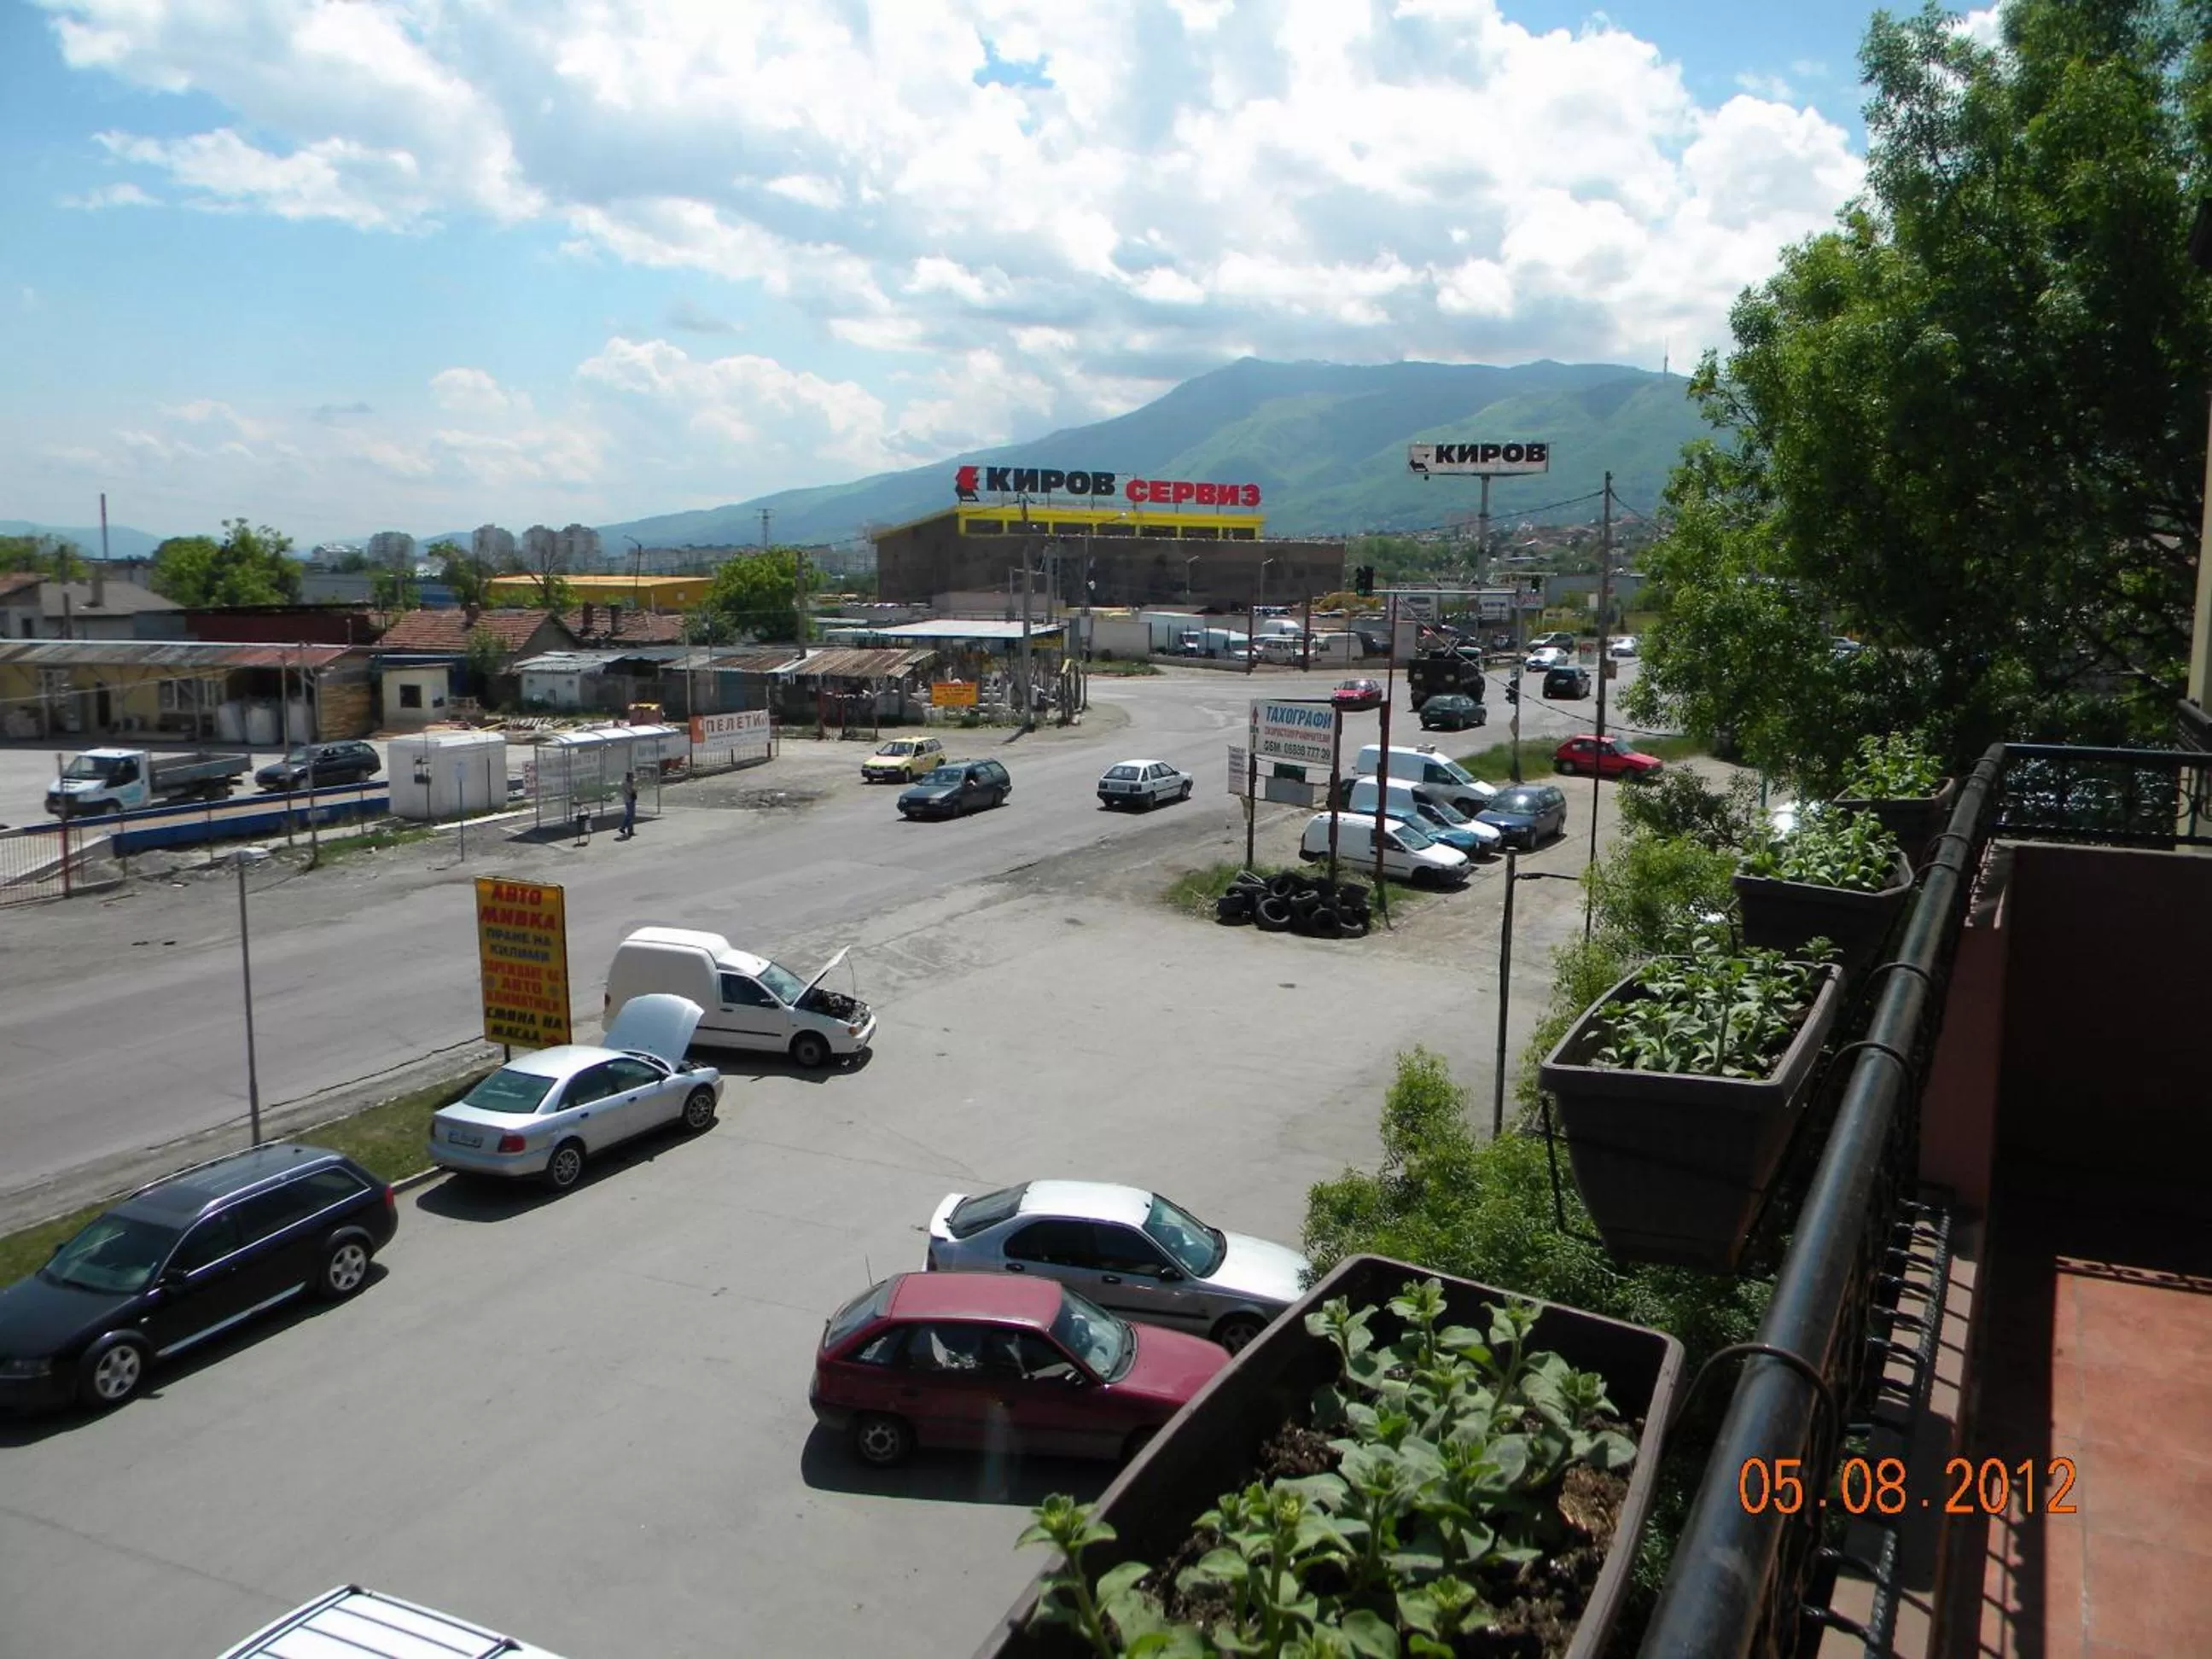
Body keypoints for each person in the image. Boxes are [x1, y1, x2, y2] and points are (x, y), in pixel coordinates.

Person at [617, 771, 638, 840]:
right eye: (632, 776)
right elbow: (630, 792)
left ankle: (630, 831)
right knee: (630, 815)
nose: (633, 777)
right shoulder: (626, 783)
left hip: (630, 800)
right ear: (629, 777)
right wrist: (634, 790)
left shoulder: (629, 783)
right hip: (629, 800)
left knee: (631, 816)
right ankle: (623, 827)